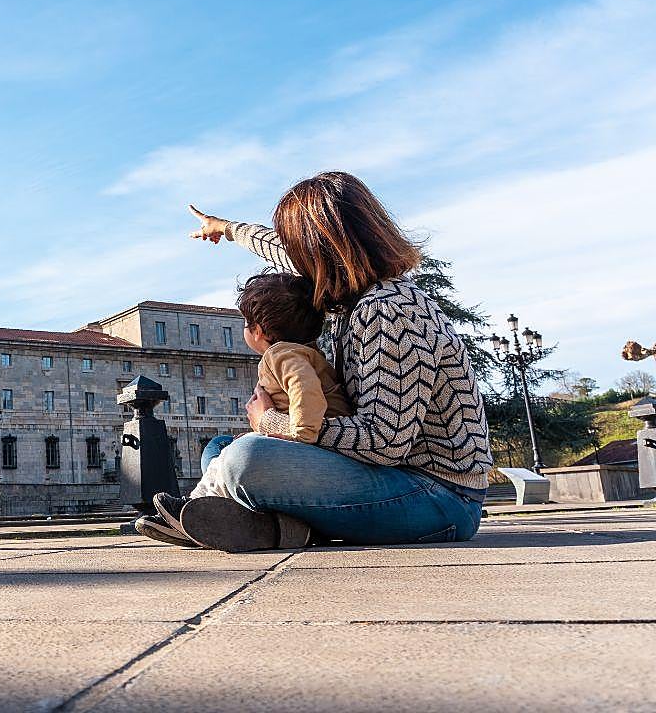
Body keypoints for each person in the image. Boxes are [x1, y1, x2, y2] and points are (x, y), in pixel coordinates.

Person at [140, 172, 491, 552]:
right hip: (388, 476)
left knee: (244, 459)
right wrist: (226, 228)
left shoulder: (388, 312)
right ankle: (282, 529)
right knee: (222, 447)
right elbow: (277, 249)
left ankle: (220, 516)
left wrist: (270, 423)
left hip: (435, 493)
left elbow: (385, 442)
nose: (291, 262)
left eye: (298, 249)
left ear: (319, 253)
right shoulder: (354, 300)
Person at [139, 272, 351, 549]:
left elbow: (305, 390)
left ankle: (190, 511)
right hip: (309, 449)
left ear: (258, 331)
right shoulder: (303, 352)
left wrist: (300, 431)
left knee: (228, 455)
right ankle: (229, 517)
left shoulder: (282, 354)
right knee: (219, 446)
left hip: (315, 450)